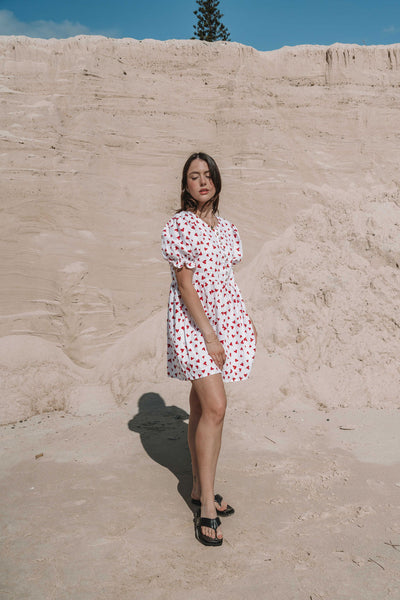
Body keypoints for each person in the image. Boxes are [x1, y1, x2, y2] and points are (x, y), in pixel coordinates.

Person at [161, 152, 257, 546]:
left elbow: (224, 283)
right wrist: (209, 335)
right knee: (217, 407)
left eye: (207, 175)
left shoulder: (227, 229)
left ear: (216, 181)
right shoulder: (180, 226)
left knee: (200, 408)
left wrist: (241, 322)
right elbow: (186, 287)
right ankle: (204, 509)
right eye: (193, 177)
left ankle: (201, 488)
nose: (202, 182)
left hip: (222, 322)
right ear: (185, 186)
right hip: (192, 325)